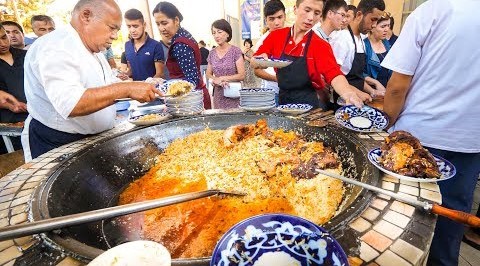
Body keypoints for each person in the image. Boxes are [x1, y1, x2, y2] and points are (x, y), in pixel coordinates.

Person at [380, 0, 480, 265]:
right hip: (470, 140)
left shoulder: (433, 10)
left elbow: (397, 86)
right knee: (452, 219)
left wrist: (387, 126)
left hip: (419, 138)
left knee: (403, 221)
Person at [21, 0, 158, 161]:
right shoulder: (56, 46)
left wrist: (137, 86)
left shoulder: (93, 49)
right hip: (58, 144)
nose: (114, 36)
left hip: (89, 139)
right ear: (86, 16)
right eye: (112, 28)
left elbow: (102, 86)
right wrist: (127, 89)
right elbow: (71, 103)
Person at [253, 0, 368, 109]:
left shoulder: (320, 45)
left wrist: (348, 93)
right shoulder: (276, 36)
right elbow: (256, 59)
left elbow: (334, 74)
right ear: (295, 9)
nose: (310, 18)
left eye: (316, 13)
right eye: (307, 10)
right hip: (283, 103)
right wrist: (258, 61)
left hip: (310, 106)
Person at [152, 1, 212, 109]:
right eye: (158, 24)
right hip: (193, 99)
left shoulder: (180, 44)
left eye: (164, 23)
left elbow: (191, 81)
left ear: (176, 20)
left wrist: (164, 85)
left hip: (191, 102)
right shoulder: (183, 35)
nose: (161, 28)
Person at [329, 0, 385, 97]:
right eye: (373, 19)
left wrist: (372, 91)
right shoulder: (343, 39)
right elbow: (334, 78)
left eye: (377, 21)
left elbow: (357, 79)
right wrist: (359, 93)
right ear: (359, 15)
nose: (374, 25)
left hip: (356, 100)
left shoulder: (361, 41)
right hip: (342, 100)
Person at [0, 23, 28, 152]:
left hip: (35, 116)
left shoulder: (26, 55)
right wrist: (9, 105)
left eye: (4, 37)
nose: (2, 43)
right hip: (8, 126)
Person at [206, 19, 245, 109]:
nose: (216, 36)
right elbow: (208, 74)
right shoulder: (212, 53)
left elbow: (242, 75)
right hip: (218, 95)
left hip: (234, 94)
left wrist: (223, 78)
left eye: (219, 32)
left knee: (236, 121)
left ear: (227, 33)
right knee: (220, 121)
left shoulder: (236, 51)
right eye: (214, 33)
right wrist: (215, 79)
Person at [253, 0, 286, 103]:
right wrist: (277, 79)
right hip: (272, 92)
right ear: (266, 20)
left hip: (292, 91)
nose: (276, 23)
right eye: (271, 19)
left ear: (285, 16)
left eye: (280, 17)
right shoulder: (262, 42)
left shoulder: (291, 36)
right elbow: (257, 71)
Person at [121, 8, 164, 81]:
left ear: (144, 25)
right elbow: (132, 70)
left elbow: (160, 74)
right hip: (134, 90)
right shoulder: (127, 45)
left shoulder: (156, 45)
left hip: (152, 90)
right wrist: (125, 75)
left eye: (135, 26)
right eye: (129, 26)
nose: (132, 30)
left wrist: (146, 85)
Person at [363, 14, 391, 88]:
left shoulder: (386, 43)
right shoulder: (364, 45)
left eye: (388, 26)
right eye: (383, 26)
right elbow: (360, 74)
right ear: (372, 27)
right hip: (371, 90)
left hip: (387, 88)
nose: (387, 29)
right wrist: (376, 82)